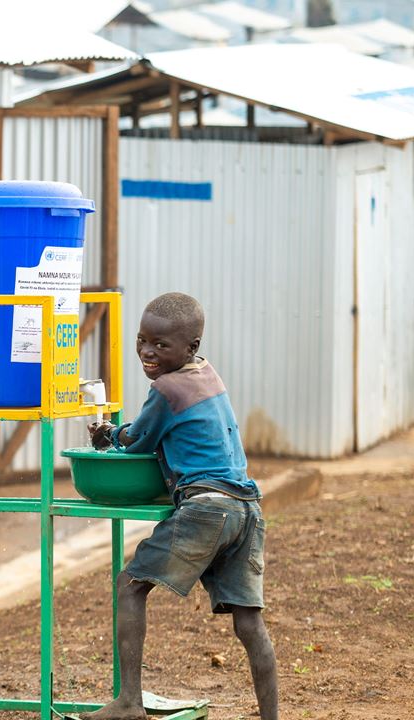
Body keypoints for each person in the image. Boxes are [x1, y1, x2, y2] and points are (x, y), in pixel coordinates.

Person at [80, 292, 278, 720]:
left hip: (207, 508)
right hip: (247, 507)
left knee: (131, 586)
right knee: (249, 624)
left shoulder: (166, 388)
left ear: (191, 347)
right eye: (141, 341)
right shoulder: (208, 375)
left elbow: (138, 442)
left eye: (160, 345)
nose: (147, 352)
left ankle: (129, 702)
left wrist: (108, 434)